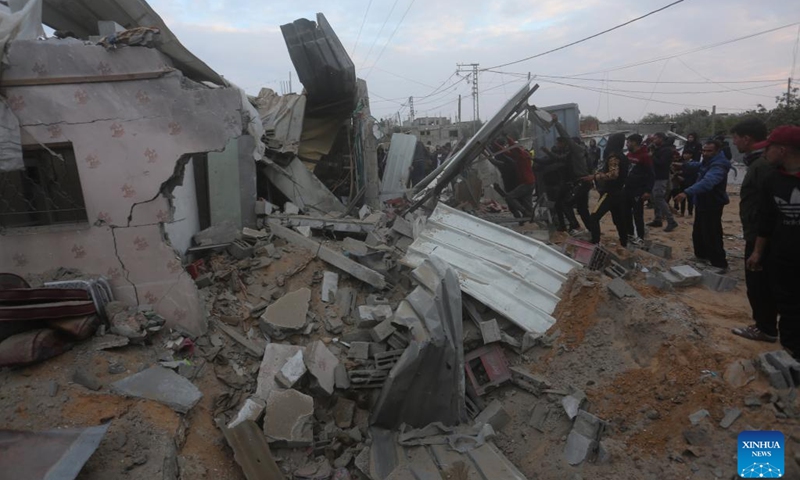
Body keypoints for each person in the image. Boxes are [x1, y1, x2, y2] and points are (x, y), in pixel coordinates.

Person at [746, 125, 800, 360]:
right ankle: (791, 353)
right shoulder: (772, 179)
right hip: (783, 253)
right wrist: (758, 253)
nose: (764, 152)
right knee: (786, 303)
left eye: (769, 148)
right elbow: (766, 220)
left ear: (783, 149)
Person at [729, 119, 778, 343]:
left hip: (761, 235)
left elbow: (768, 206)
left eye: (736, 138)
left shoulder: (762, 165)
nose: (734, 142)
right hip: (761, 233)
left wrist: (758, 245)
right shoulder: (759, 162)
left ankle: (765, 328)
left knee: (758, 283)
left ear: (746, 138)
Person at [674, 140, 732, 270]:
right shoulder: (708, 162)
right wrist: (683, 165)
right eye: (704, 151)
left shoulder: (719, 165)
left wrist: (686, 193)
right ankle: (701, 256)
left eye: (709, 151)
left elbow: (708, 182)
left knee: (712, 233)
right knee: (699, 232)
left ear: (717, 151)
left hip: (712, 203)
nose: (705, 153)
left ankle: (719, 264)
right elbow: (698, 166)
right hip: (702, 202)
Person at [584, 146, 629, 246]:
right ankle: (624, 243)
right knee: (619, 220)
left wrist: (596, 176)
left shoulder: (614, 157)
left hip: (609, 193)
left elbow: (613, 174)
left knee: (594, 217)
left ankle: (595, 241)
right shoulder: (624, 157)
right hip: (619, 192)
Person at [623, 134, 655, 244]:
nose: (627, 144)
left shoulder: (645, 156)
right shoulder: (629, 155)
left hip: (638, 190)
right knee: (626, 213)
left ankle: (640, 237)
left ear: (635, 142)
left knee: (637, 215)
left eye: (628, 142)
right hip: (627, 189)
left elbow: (651, 175)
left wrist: (648, 191)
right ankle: (630, 234)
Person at [649, 132, 679, 232]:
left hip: (661, 177)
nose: (654, 140)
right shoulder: (659, 149)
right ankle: (657, 219)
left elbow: (662, 163)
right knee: (655, 199)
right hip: (655, 176)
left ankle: (671, 221)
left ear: (661, 138)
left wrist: (652, 156)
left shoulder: (666, 150)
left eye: (656, 138)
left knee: (659, 198)